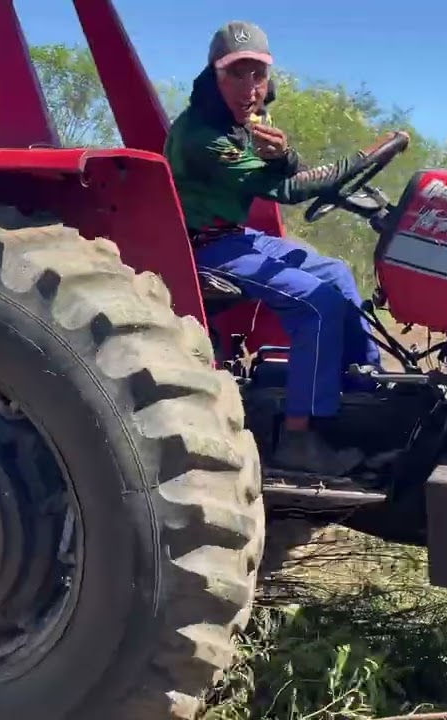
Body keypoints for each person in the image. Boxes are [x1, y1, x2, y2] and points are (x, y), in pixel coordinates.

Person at [163, 19, 408, 477]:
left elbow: (283, 171)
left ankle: (363, 392)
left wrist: (286, 156)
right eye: (236, 74)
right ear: (214, 76)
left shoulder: (246, 122)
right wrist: (363, 157)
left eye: (258, 74)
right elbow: (288, 189)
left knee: (337, 274)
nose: (249, 88)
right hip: (202, 246)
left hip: (234, 236)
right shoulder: (201, 136)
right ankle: (299, 437)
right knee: (316, 304)